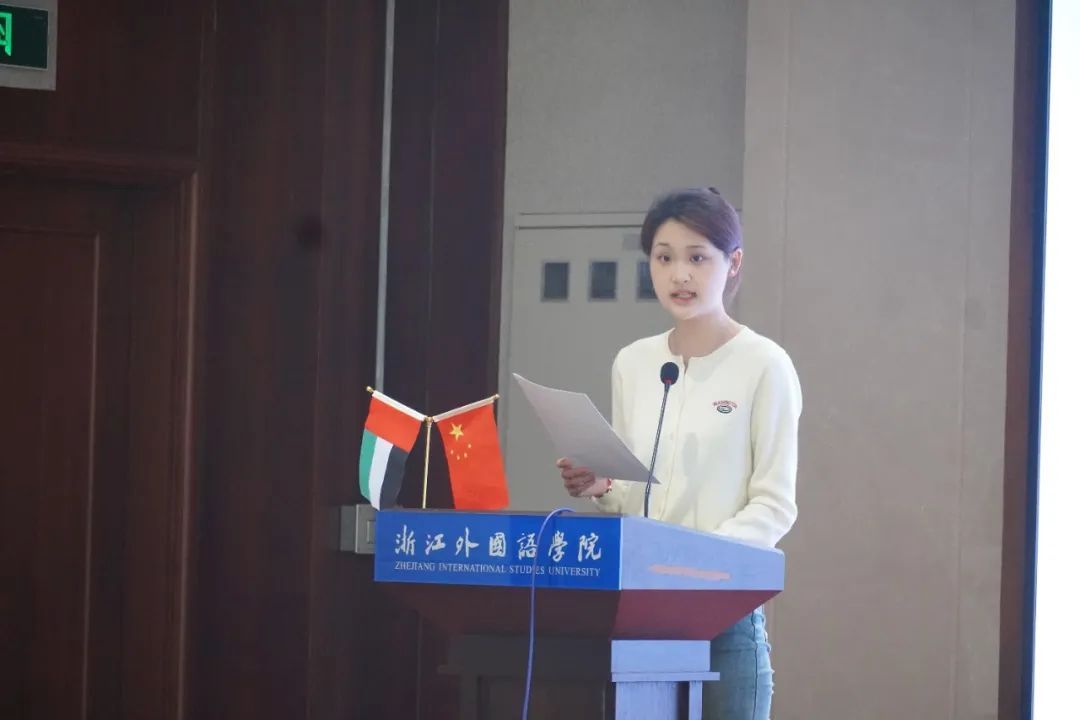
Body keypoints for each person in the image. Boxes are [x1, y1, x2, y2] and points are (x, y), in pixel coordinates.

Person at [557, 187, 801, 720]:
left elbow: (774, 503)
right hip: (639, 611)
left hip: (724, 614)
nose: (680, 275)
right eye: (664, 258)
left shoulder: (765, 364)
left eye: (697, 258)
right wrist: (602, 486)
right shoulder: (633, 363)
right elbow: (634, 490)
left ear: (733, 263)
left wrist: (698, 563)